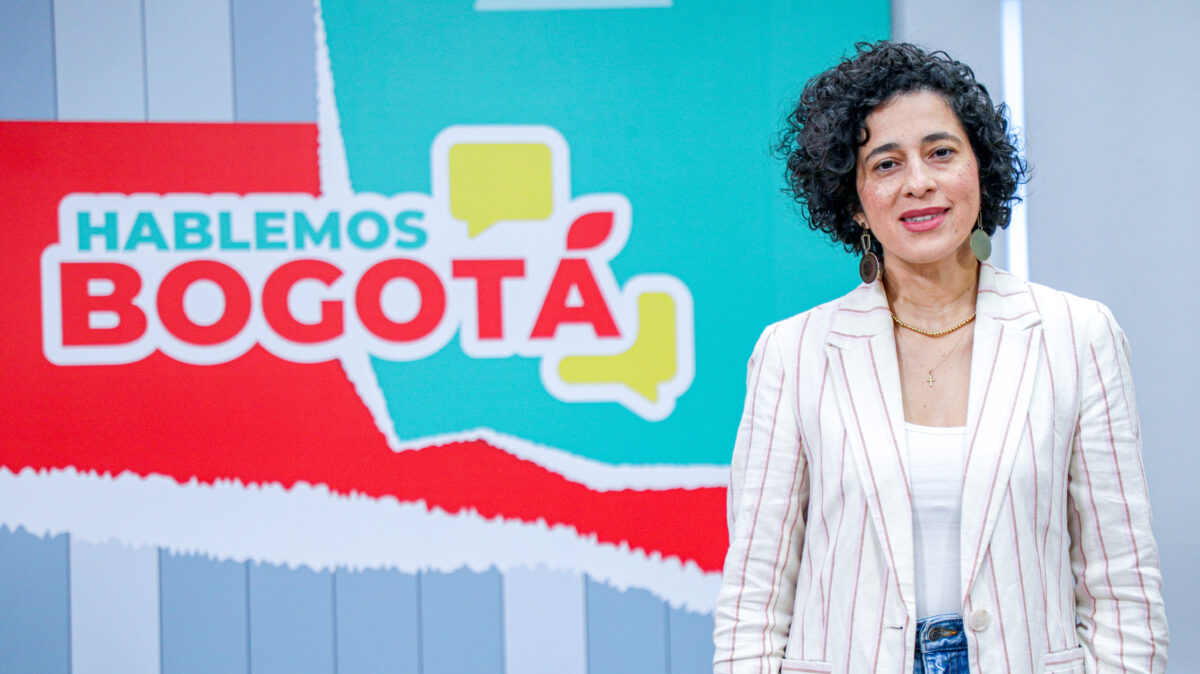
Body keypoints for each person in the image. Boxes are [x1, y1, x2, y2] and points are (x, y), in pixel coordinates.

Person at [712, 42, 1168, 674]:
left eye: (941, 152)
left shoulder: (1078, 334)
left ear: (980, 168)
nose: (918, 182)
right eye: (886, 164)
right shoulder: (793, 354)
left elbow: (1123, 587)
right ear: (853, 200)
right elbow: (755, 593)